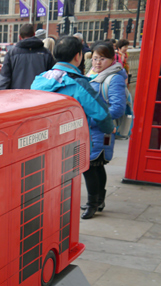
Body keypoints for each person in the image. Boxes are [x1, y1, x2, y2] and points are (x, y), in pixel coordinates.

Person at [30, 36, 114, 219]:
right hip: (73, 140)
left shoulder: (39, 80)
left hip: (45, 141)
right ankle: (91, 204)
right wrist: (110, 127)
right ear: (78, 56)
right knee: (82, 171)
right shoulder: (79, 83)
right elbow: (101, 113)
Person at [81, 41, 127, 218]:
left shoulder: (114, 77)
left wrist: (92, 119)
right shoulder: (93, 73)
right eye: (94, 58)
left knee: (90, 167)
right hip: (91, 129)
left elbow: (117, 108)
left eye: (102, 59)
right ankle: (99, 200)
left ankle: (92, 204)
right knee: (97, 166)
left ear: (111, 59)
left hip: (100, 129)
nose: (97, 63)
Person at [0, 23, 54, 90]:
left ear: (19, 37)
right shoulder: (46, 53)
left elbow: (3, 81)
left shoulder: (11, 54)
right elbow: (52, 79)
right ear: (34, 35)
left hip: (18, 96)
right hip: (39, 96)